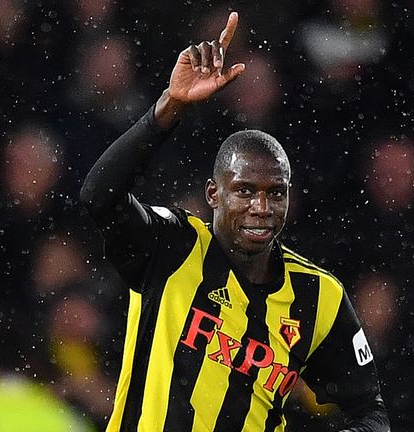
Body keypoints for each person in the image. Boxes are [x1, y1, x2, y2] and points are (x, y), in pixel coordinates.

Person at [79, 11, 390, 432]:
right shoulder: (173, 246)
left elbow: (369, 410)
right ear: (214, 195)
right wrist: (170, 106)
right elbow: (99, 196)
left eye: (274, 193)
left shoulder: (319, 296)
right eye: (244, 191)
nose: (260, 206)